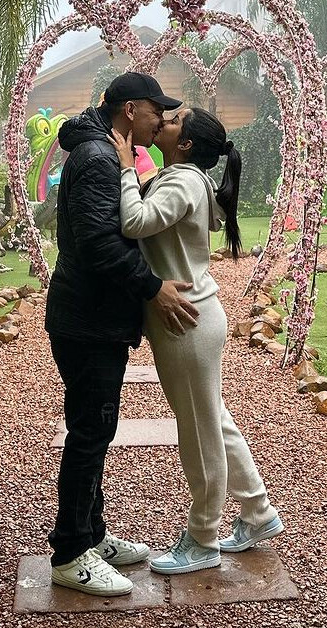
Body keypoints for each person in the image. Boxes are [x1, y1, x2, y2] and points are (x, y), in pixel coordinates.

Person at [44, 72, 201, 597]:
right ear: (131, 110)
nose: (163, 120)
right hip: (88, 319)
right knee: (90, 433)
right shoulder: (96, 158)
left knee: (98, 428)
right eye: (159, 110)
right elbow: (97, 245)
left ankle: (93, 536)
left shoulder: (105, 151)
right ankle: (70, 553)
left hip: (95, 316)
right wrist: (153, 287)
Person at [109, 106, 283, 575]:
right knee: (214, 420)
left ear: (185, 144)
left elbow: (135, 222)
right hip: (195, 315)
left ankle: (203, 539)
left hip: (184, 321)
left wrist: (128, 168)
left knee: (199, 431)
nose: (164, 117)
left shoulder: (184, 182)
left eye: (175, 119)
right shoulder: (186, 179)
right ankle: (258, 512)